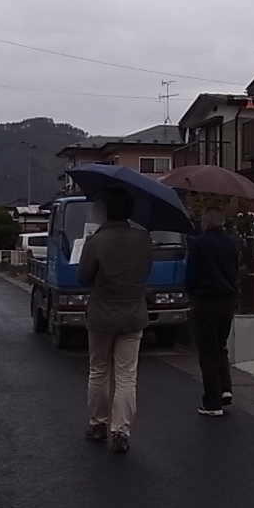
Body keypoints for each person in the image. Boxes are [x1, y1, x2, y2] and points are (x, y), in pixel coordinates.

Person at [77, 186, 154, 454]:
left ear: (105, 212)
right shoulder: (143, 239)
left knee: (99, 370)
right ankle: (121, 431)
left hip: (101, 315)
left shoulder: (96, 241)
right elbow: (145, 271)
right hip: (133, 314)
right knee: (126, 375)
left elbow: (83, 278)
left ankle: (98, 424)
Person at [186, 207, 241, 417]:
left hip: (206, 300)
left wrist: (190, 292)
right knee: (220, 346)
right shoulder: (233, 244)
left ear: (206, 222)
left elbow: (191, 274)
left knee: (207, 351)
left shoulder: (200, 244)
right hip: (228, 300)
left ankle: (212, 402)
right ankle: (225, 389)